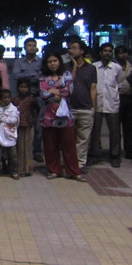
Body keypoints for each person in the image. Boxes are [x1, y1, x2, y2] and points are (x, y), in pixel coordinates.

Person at [40, 51, 86, 182]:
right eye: (49, 61)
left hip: (66, 115)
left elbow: (69, 90)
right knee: (50, 145)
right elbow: (43, 93)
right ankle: (54, 170)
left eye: (55, 61)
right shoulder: (43, 76)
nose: (52, 64)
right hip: (48, 115)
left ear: (59, 62)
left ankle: (73, 171)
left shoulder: (66, 74)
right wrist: (59, 91)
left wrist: (54, 92)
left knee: (69, 144)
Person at [91, 42, 124, 168]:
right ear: (100, 53)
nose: (107, 53)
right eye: (105, 50)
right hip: (97, 103)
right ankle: (94, 154)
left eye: (110, 51)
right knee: (95, 130)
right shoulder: (94, 67)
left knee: (115, 131)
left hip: (112, 103)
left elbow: (120, 83)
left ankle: (115, 155)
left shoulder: (117, 68)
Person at [67, 40, 97, 170]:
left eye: (74, 48)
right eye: (69, 48)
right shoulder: (65, 67)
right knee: (68, 139)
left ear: (82, 51)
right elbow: (68, 84)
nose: (71, 50)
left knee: (83, 139)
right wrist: (74, 67)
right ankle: (69, 163)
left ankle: (80, 163)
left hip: (85, 108)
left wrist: (93, 107)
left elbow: (93, 88)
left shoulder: (91, 68)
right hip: (69, 108)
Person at [114, 45, 132, 160]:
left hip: (130, 98)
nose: (122, 55)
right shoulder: (113, 66)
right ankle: (116, 151)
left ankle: (129, 151)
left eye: (124, 53)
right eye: (120, 53)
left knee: (129, 127)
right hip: (117, 99)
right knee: (115, 128)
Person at [0, 89, 20, 180]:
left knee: (13, 155)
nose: (6, 100)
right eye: (4, 98)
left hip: (11, 136)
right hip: (0, 135)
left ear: (10, 98)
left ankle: (13, 171)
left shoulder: (14, 109)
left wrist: (3, 118)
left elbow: (13, 120)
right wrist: (3, 114)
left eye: (8, 98)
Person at [13, 79, 37, 177]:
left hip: (27, 126)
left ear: (29, 89)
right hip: (16, 126)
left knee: (27, 147)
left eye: (25, 87)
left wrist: (33, 120)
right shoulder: (14, 100)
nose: (23, 89)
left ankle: (26, 168)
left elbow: (37, 109)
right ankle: (17, 168)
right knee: (17, 147)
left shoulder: (31, 100)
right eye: (21, 87)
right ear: (18, 88)